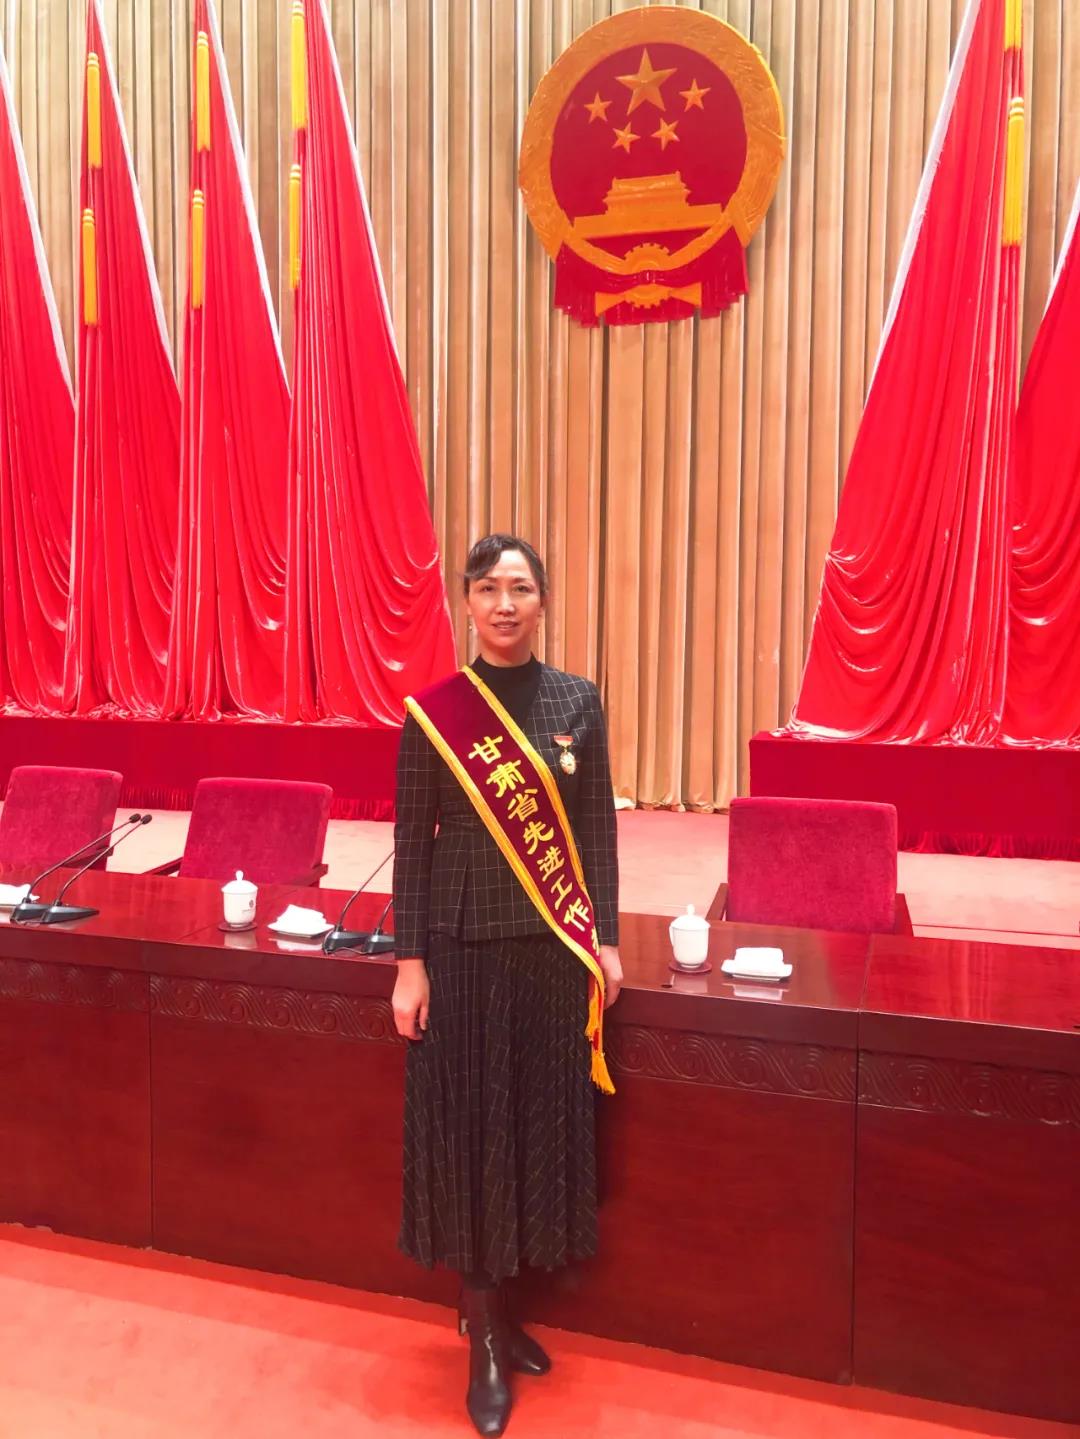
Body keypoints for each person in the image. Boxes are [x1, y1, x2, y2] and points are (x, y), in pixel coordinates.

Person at [392, 533, 622, 1436]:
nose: (504, 603)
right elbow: (412, 845)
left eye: (520, 587)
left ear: (543, 601)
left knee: (529, 1125)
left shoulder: (576, 702)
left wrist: (604, 939)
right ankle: (483, 1331)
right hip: (462, 950)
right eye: (488, 588)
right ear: (467, 602)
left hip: (550, 953)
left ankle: (497, 1309)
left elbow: (595, 832)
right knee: (473, 1127)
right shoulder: (435, 713)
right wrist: (409, 962)